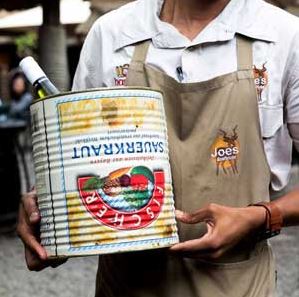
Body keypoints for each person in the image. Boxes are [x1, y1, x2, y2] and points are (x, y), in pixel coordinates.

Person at [17, 0, 299, 296]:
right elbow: (78, 167)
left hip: (239, 285)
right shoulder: (112, 35)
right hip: (126, 285)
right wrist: (47, 211)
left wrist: (262, 216)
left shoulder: (283, 37)